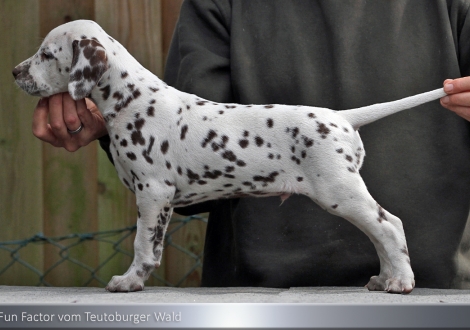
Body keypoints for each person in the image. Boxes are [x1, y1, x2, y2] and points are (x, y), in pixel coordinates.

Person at [33, 0, 470, 289]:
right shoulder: (216, 5)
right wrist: (106, 126)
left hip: (440, 295)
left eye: (46, 57)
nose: (30, 68)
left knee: (348, 201)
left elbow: (160, 186)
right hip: (251, 295)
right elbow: (177, 183)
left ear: (87, 65)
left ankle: (397, 262)